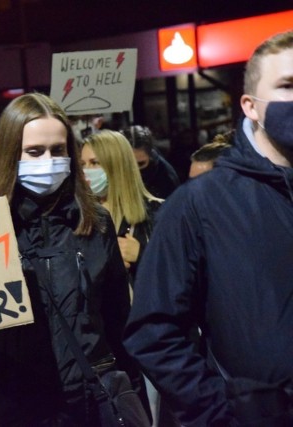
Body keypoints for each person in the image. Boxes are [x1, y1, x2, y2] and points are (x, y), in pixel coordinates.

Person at [123, 30, 293, 426]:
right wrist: (222, 412)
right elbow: (154, 332)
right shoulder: (198, 204)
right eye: (287, 85)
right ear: (251, 106)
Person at [0, 93, 138, 426]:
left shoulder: (96, 223)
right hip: (11, 407)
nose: (49, 160)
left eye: (58, 150)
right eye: (34, 151)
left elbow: (118, 321)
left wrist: (131, 394)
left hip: (86, 405)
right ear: (10, 154)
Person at [81, 130, 163, 282]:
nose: (86, 171)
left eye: (95, 163)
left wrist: (141, 255)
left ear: (117, 165)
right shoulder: (79, 215)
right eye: (82, 164)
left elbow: (178, 273)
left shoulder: (158, 212)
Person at [121, 125, 180, 199]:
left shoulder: (167, 177)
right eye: (129, 163)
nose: (135, 170)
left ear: (150, 156)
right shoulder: (112, 170)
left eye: (140, 164)